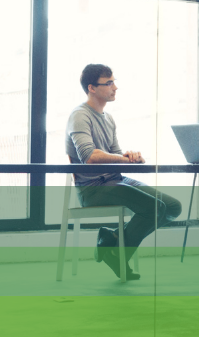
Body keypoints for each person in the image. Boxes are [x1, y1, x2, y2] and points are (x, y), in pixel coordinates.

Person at [65, 64, 182, 280]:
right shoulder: (79, 116)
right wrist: (122, 158)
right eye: (108, 83)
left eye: (113, 81)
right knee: (154, 207)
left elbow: (116, 157)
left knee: (173, 207)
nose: (115, 87)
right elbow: (89, 157)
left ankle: (112, 242)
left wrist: (132, 157)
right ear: (91, 88)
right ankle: (115, 251)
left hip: (115, 180)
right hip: (92, 189)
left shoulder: (108, 118)